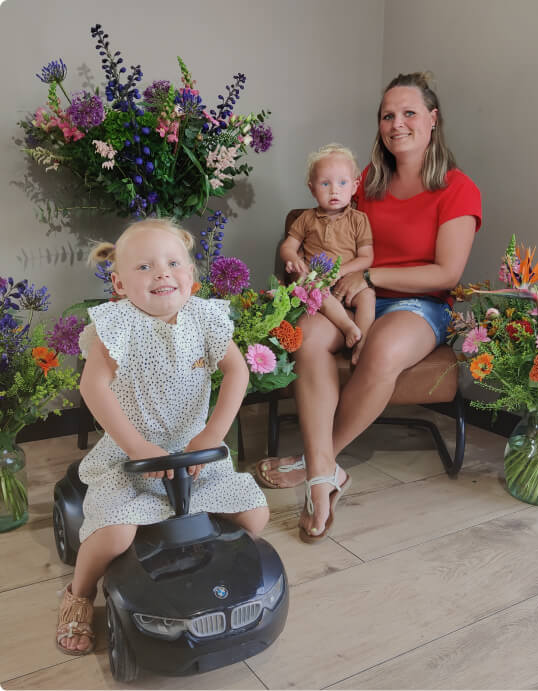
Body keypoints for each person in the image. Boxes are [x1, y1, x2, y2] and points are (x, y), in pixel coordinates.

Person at [256, 72, 481, 544]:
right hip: (349, 294)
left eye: (409, 113)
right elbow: (326, 231)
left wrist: (371, 277)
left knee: (379, 350)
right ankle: (325, 470)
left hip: (419, 303)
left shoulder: (458, 188)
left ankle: (317, 466)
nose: (397, 123)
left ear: (433, 120)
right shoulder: (365, 183)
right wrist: (301, 261)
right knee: (313, 337)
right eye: (387, 115)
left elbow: (447, 273)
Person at [56, 218, 268, 655]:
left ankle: (213, 577)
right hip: (131, 456)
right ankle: (79, 593)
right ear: (118, 282)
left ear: (190, 277)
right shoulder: (117, 326)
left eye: (174, 263)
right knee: (115, 535)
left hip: (195, 453)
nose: (162, 273)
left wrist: (214, 433)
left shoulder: (205, 318)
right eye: (144, 267)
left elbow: (237, 370)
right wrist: (136, 445)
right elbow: (92, 387)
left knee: (254, 515)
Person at [280, 143, 375, 364]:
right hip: (319, 280)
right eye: (325, 184)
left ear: (354, 185)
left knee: (368, 295)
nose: (334, 190)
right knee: (313, 287)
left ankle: (363, 343)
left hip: (348, 280)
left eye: (342, 183)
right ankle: (347, 326)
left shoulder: (359, 220)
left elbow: (366, 257)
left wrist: (341, 271)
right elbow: (288, 247)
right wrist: (293, 259)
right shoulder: (306, 218)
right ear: (312, 188)